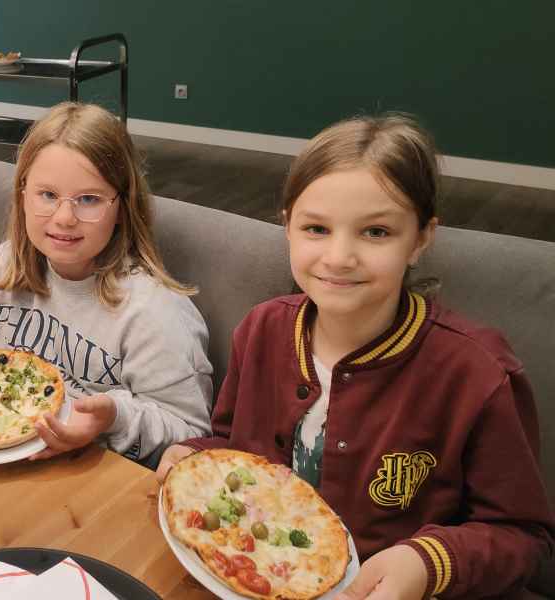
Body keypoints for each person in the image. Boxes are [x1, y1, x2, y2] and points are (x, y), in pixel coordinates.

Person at [156, 114, 554, 599]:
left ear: (421, 238)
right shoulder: (261, 329)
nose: (340, 257)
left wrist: (427, 563)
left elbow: (523, 537)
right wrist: (193, 455)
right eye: (316, 228)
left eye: (376, 232)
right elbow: (231, 445)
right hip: (250, 572)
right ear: (288, 227)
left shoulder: (478, 371)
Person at [0, 102, 214, 467]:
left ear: (123, 207)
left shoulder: (155, 313)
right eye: (48, 195)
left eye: (89, 199)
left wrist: (114, 418)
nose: (65, 218)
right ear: (22, 194)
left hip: (96, 477)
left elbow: (190, 432)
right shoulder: (8, 264)